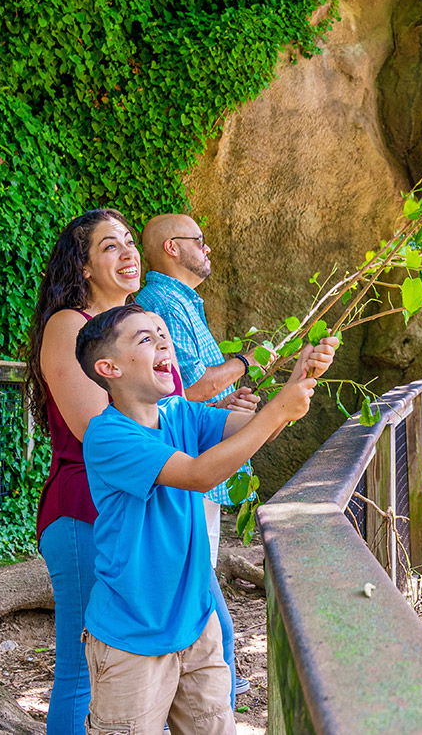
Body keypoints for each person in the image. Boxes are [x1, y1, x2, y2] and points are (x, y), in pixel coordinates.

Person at [75, 305, 336, 735]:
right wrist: (279, 410)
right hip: (131, 638)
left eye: (163, 332)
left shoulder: (181, 412)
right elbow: (200, 475)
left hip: (197, 624)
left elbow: (256, 430)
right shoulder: (107, 435)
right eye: (145, 338)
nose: (163, 341)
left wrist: (297, 382)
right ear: (109, 368)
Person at [25, 209, 143, 735]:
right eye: (110, 246)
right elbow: (98, 431)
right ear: (84, 266)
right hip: (82, 512)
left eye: (130, 242)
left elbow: (170, 420)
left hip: (133, 510)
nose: (128, 253)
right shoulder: (68, 326)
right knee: (81, 672)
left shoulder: (137, 330)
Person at [135, 214, 263, 700]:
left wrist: (229, 406)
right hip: (188, 463)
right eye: (200, 241)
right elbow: (188, 386)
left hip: (202, 451)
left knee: (201, 576)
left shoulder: (183, 301)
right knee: (197, 579)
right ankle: (213, 680)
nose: (208, 249)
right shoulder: (159, 302)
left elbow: (199, 397)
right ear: (172, 247)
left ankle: (211, 677)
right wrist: (247, 361)